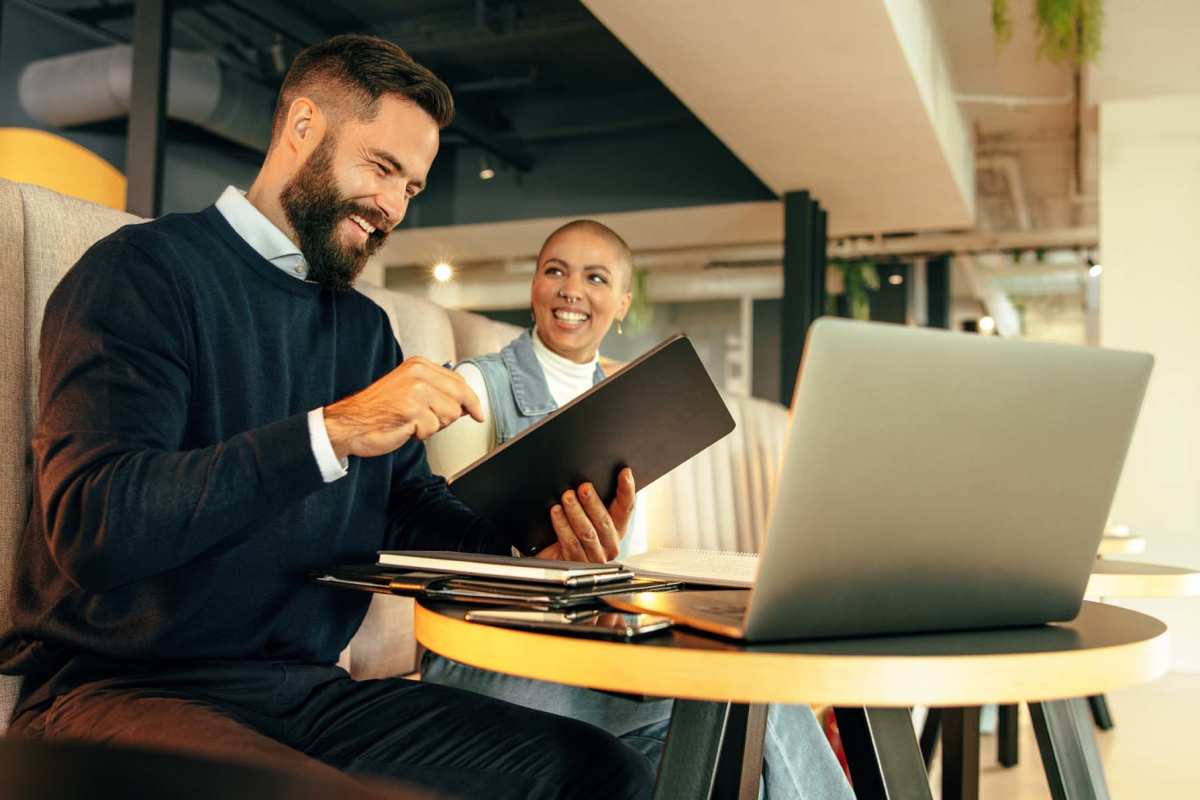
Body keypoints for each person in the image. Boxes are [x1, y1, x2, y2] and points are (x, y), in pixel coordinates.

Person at [0, 35, 654, 799]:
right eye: (380, 168)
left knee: (604, 771)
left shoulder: (365, 329)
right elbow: (95, 526)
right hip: (119, 691)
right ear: (302, 126)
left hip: (307, 694)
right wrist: (331, 431)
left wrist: (522, 559)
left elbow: (407, 512)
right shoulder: (140, 274)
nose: (391, 208)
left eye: (410, 187)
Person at [424, 221, 854, 800]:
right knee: (749, 698)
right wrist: (541, 561)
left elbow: (618, 573)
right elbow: (439, 565)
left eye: (595, 278)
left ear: (622, 302)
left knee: (725, 729)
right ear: (534, 285)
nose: (571, 289)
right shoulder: (480, 387)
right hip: (490, 659)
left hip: (590, 652)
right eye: (555, 270)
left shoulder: (629, 403)